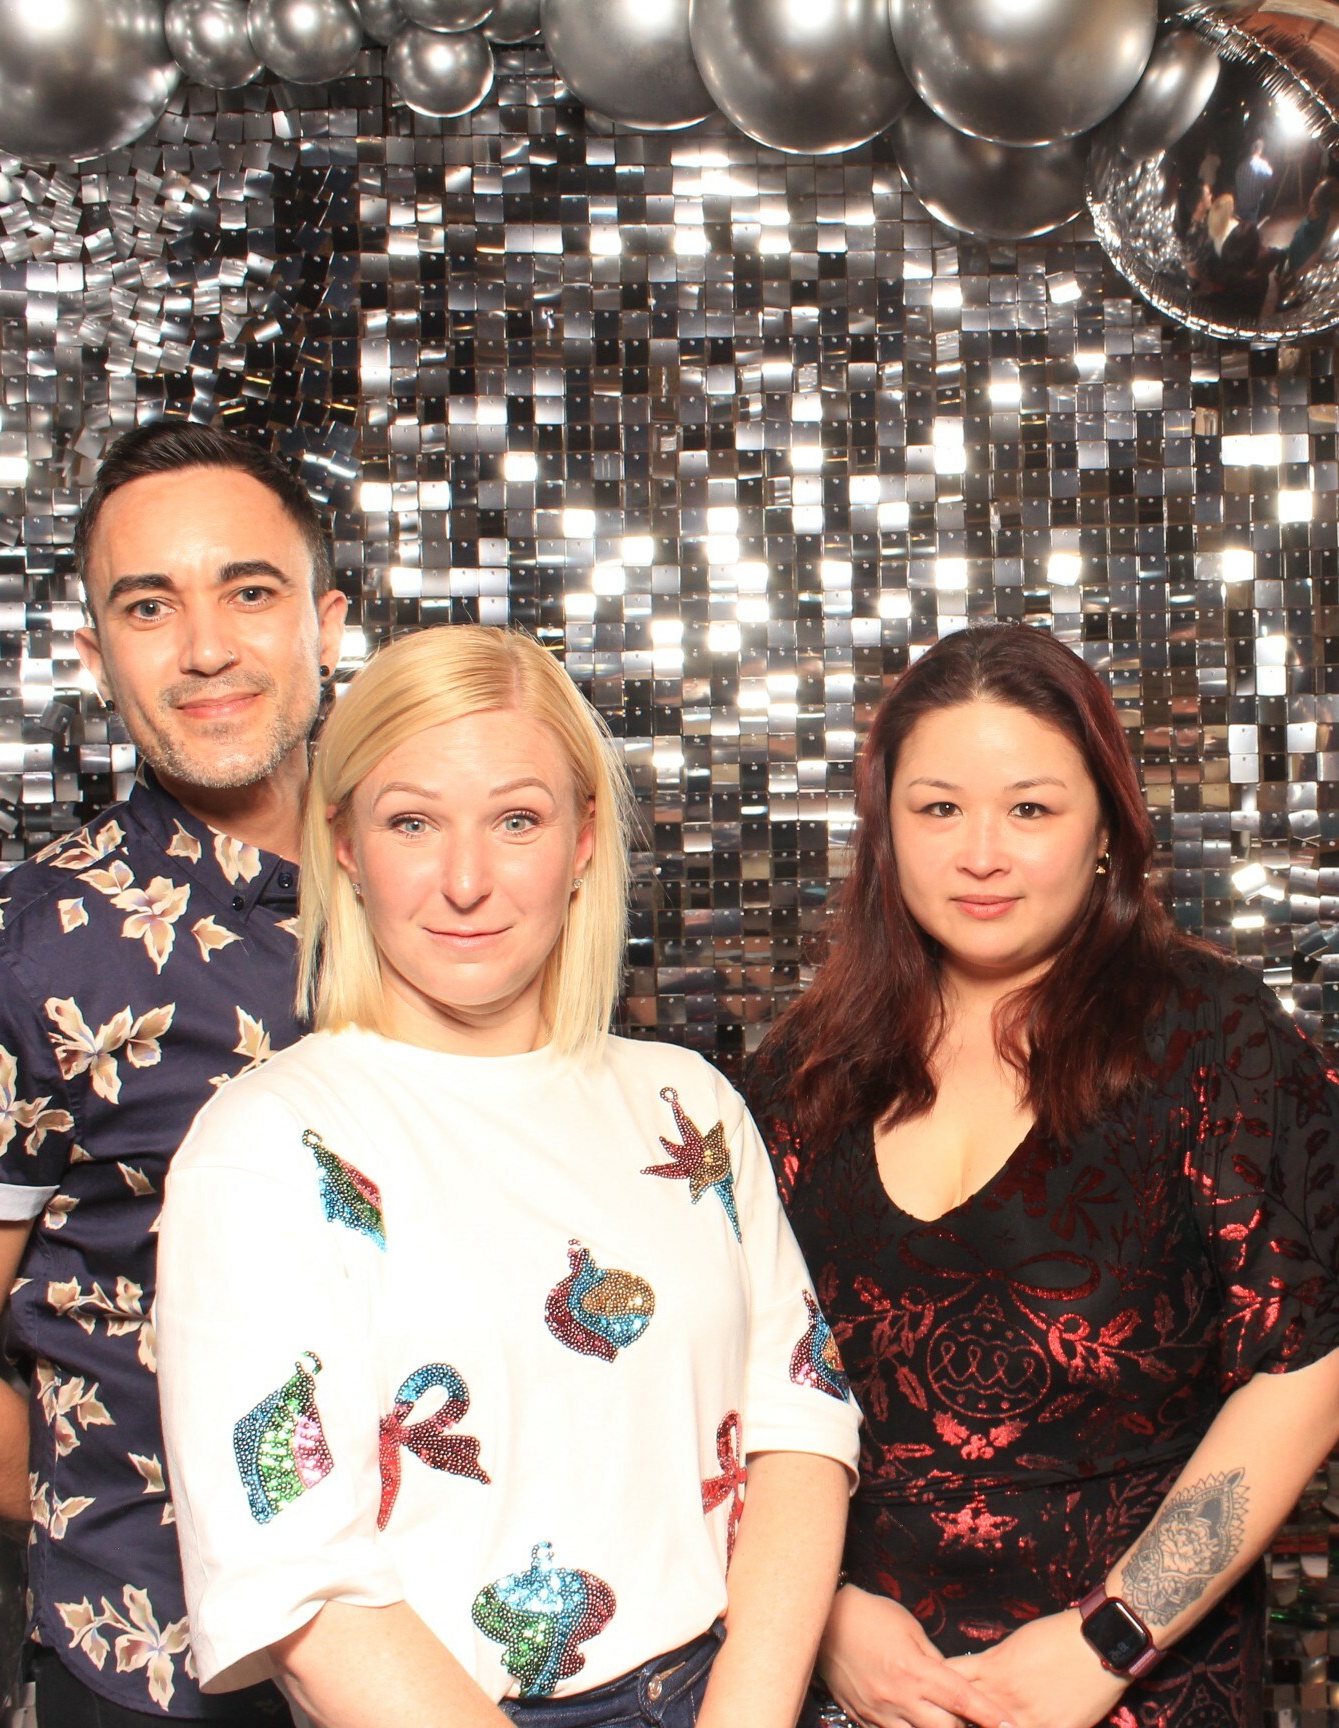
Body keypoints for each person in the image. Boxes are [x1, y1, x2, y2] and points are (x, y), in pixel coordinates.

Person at [154, 625, 858, 1728]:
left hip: (736, 1692)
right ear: (343, 845)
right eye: (412, 822)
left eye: (517, 820)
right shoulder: (265, 1146)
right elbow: (299, 1584)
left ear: (583, 840)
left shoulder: (687, 1104)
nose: (467, 881)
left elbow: (799, 1421)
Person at [746, 624, 1339, 1728]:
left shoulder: (1213, 1037)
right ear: (886, 833)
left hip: (1135, 1688)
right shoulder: (800, 1073)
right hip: (854, 1696)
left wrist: (1115, 1633)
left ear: (1106, 828)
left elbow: (1311, 1367)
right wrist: (819, 1615)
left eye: (1031, 809)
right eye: (938, 808)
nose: (982, 854)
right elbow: (721, 1389)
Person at [0, 421, 348, 1726]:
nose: (206, 647)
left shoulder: (450, 897)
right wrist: (162, 1522)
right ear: (95, 654)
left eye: (250, 591)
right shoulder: (14, 962)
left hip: (468, 1645)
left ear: (327, 624)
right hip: (180, 1677)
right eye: (149, 605)